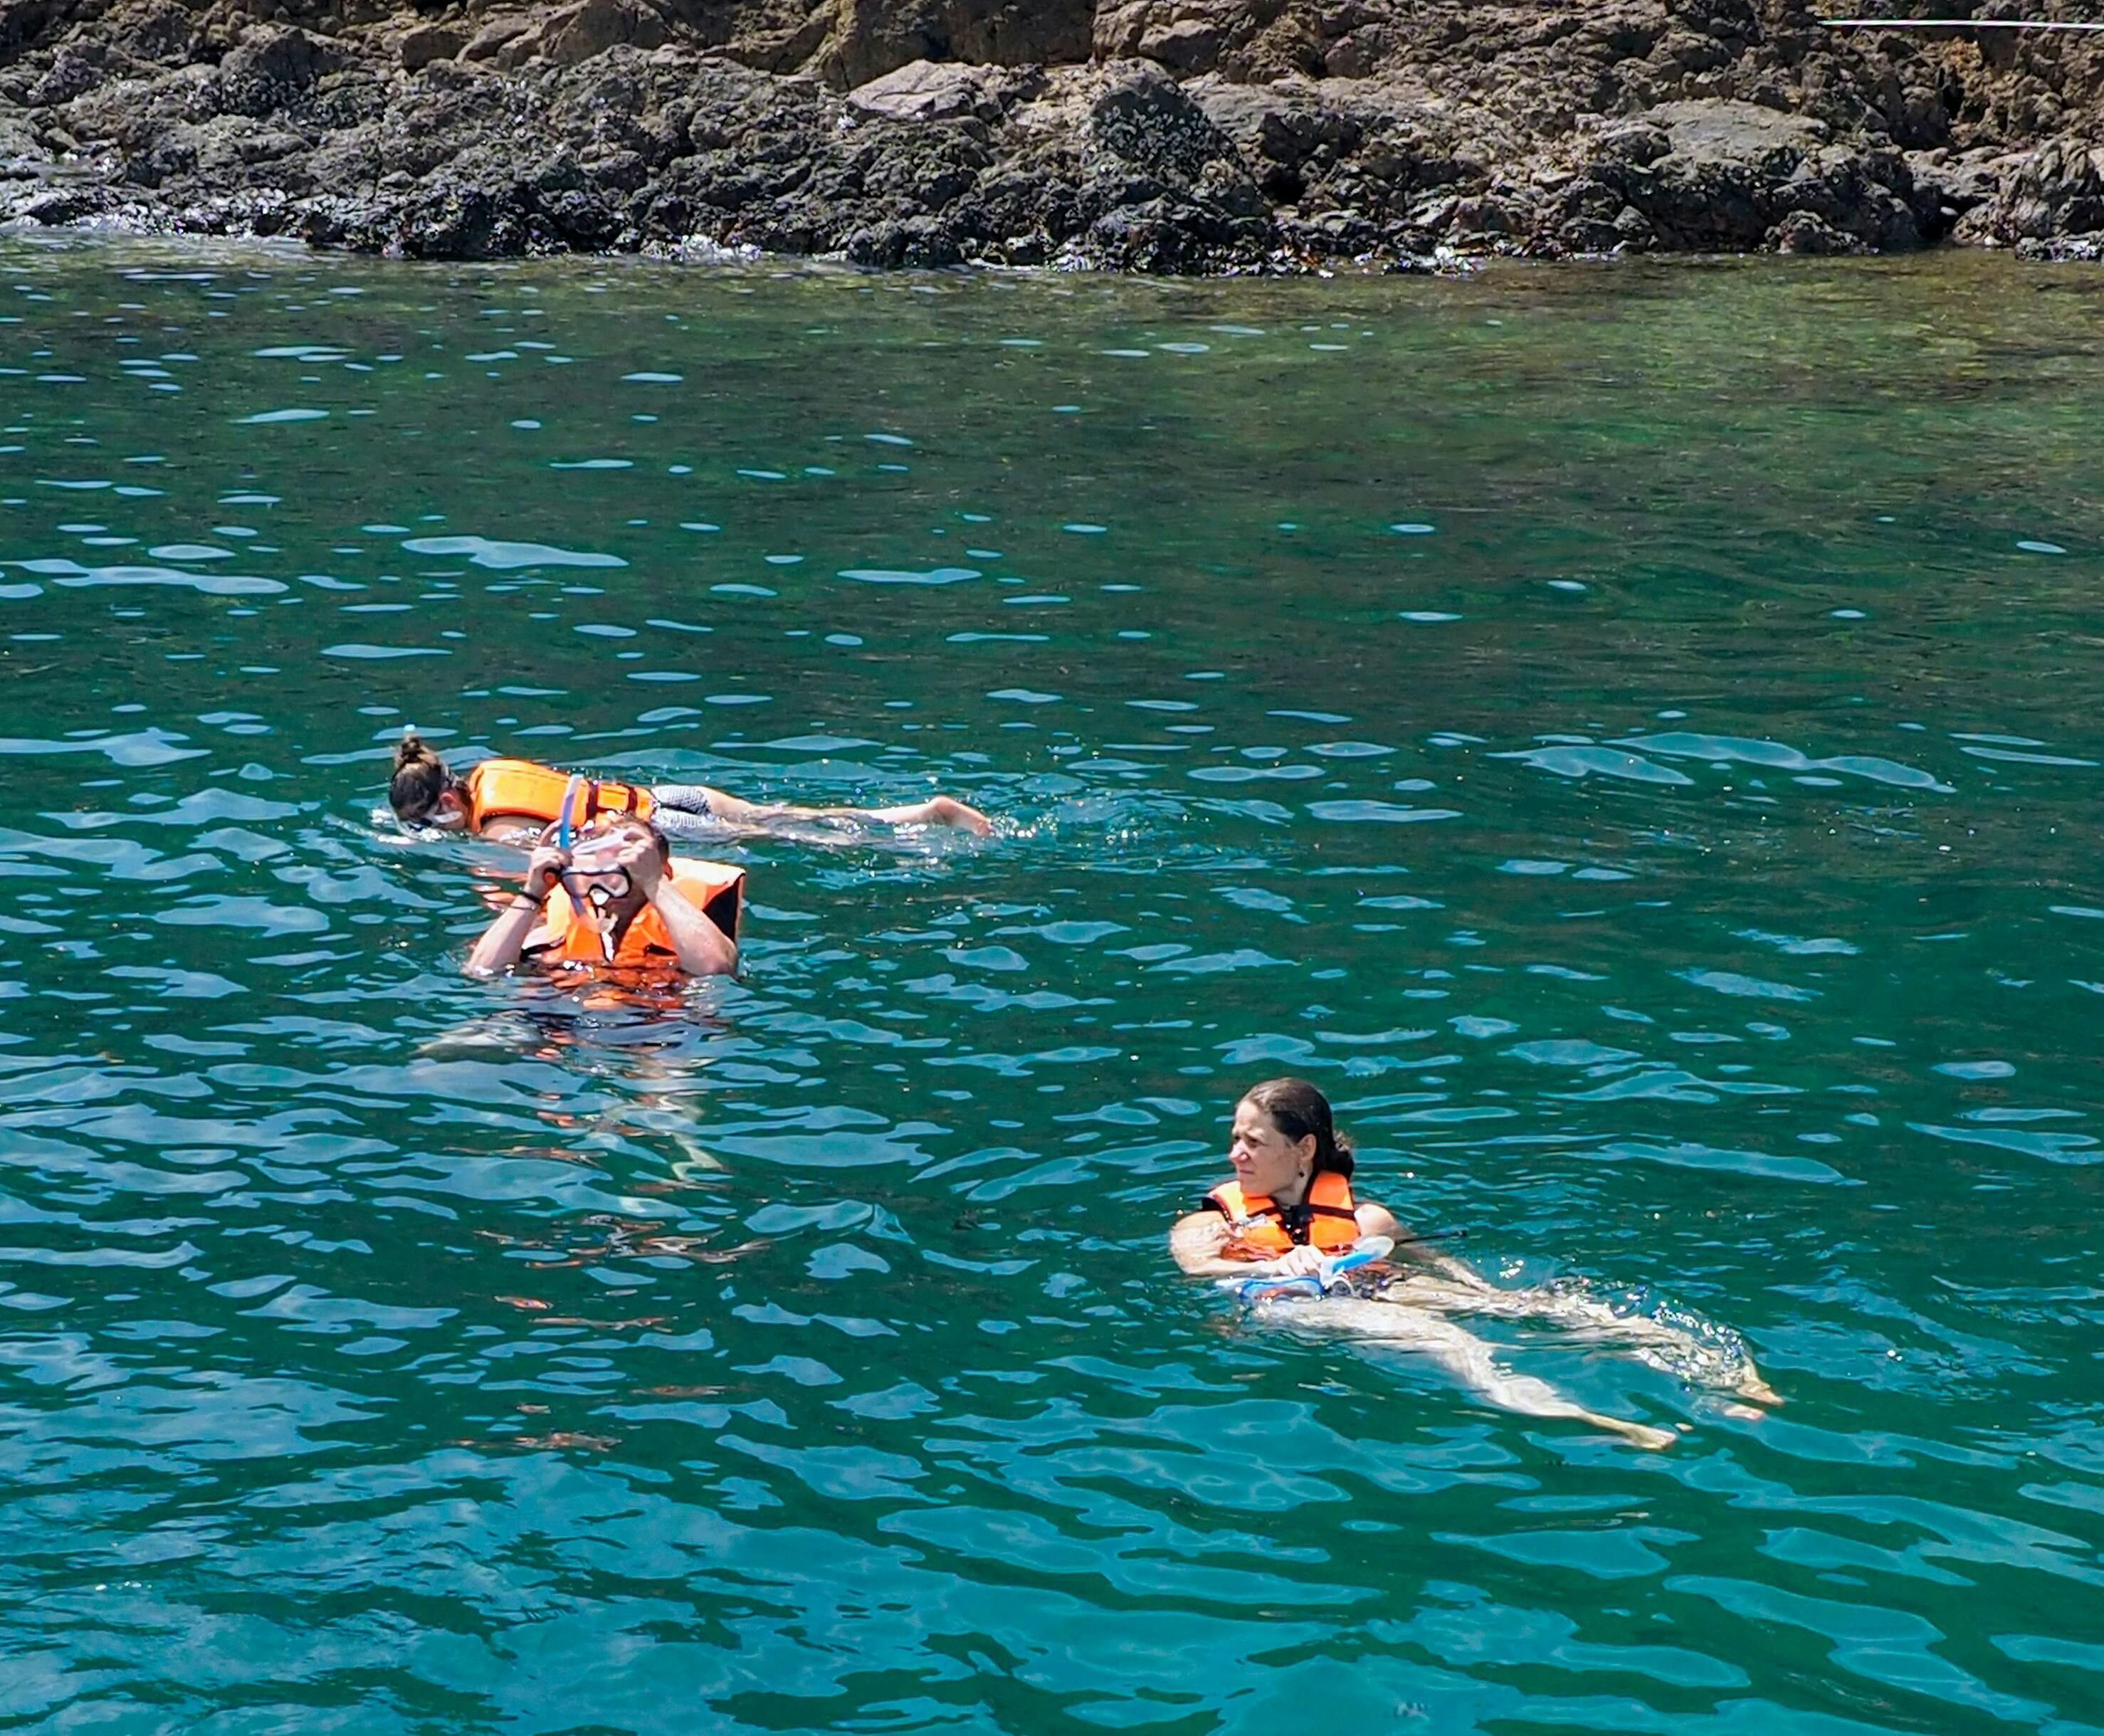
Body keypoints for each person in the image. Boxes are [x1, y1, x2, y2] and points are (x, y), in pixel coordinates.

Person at [1172, 1078, 1778, 1448]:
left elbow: (1440, 1264)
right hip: (1304, 1308)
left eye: (1253, 1141)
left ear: (1303, 1149)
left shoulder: (1370, 1221)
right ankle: (1596, 1418)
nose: (1235, 1153)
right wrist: (1281, 1267)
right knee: (1453, 1343)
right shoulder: (1214, 1224)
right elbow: (1197, 1268)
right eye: (1235, 1138)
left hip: (1374, 1285)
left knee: (1555, 1307)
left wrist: (1496, 1295)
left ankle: (1734, 1379)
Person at [388, 732, 992, 841]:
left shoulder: (496, 826)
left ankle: (915, 822)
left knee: (798, 839)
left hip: (667, 826)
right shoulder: (491, 772)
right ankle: (919, 811)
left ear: (445, 804)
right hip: (672, 794)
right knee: (789, 815)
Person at [465, 816, 739, 979]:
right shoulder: (567, 919)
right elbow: (482, 971)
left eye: (633, 864)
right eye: (606, 865)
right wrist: (533, 890)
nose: (615, 879)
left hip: (658, 1022)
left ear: (663, 870)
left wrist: (654, 882)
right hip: (564, 1018)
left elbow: (716, 968)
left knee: (671, 1077)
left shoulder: (682, 913)